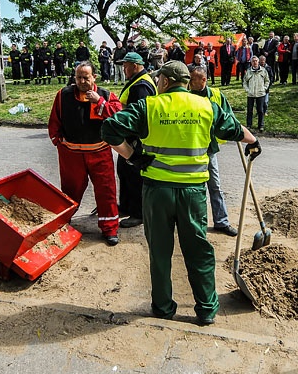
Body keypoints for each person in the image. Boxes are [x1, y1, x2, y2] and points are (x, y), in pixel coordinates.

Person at [101, 60, 261, 325]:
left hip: (156, 191)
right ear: (187, 82)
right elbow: (234, 129)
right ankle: (207, 309)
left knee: (160, 252)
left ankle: (163, 308)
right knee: (198, 250)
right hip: (193, 193)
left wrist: (132, 156)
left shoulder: (150, 106)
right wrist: (254, 142)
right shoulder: (207, 107)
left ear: (164, 81)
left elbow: (109, 129)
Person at [48, 62, 123, 246]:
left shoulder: (106, 94)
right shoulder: (63, 95)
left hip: (100, 153)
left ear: (94, 77)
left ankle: (110, 229)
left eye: (86, 77)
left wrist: (99, 102)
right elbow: (54, 121)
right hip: (71, 155)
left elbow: (119, 116)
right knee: (69, 191)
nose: (82, 81)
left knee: (106, 192)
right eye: (78, 77)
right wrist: (59, 142)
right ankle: (64, 221)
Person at [187, 64, 238, 237]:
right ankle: (194, 225)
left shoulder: (216, 95)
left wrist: (237, 130)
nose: (189, 82)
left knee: (215, 185)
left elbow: (229, 117)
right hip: (191, 148)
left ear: (203, 79)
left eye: (192, 79)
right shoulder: (186, 96)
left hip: (208, 149)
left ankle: (221, 221)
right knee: (194, 188)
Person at [114, 51, 156, 228]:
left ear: (136, 66)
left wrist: (131, 138)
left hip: (135, 139)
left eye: (126, 65)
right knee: (124, 171)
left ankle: (138, 213)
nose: (124, 68)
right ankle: (125, 206)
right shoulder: (137, 81)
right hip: (129, 137)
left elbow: (138, 116)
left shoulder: (141, 86)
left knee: (134, 175)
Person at [243, 56, 270, 131]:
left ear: (258, 62)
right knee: (249, 110)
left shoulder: (263, 70)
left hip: (260, 94)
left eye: (256, 61)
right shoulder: (248, 71)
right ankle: (249, 125)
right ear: (251, 62)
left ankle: (261, 125)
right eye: (253, 61)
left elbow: (267, 80)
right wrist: (247, 90)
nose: (255, 62)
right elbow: (244, 82)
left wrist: (264, 88)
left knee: (260, 110)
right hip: (251, 94)